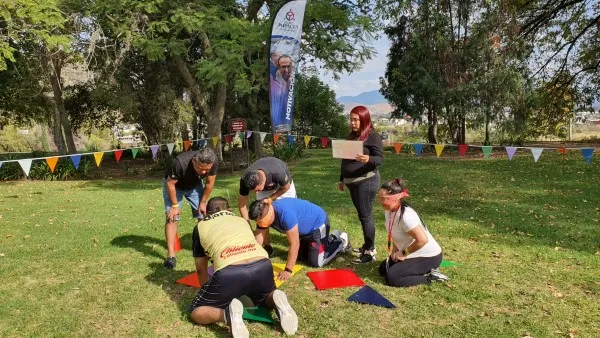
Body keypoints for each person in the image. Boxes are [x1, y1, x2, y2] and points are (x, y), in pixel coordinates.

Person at [190, 197, 298, 337]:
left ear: (207, 213)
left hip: (230, 271)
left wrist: (206, 292)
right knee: (264, 297)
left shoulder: (200, 226)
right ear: (229, 210)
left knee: (197, 311)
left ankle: (227, 315)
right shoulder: (242, 220)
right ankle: (275, 297)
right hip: (262, 264)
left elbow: (201, 268)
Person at [248, 198, 349, 280]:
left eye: (260, 221)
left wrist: (288, 270)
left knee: (317, 262)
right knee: (302, 257)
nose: (260, 225)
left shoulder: (286, 215)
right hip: (304, 233)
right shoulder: (264, 215)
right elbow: (258, 241)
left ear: (268, 213)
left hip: (318, 225)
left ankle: (340, 242)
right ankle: (331, 237)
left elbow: (294, 244)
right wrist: (251, 262)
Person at [377, 179, 449, 287]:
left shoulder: (406, 217)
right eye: (380, 198)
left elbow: (423, 239)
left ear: (397, 198)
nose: (381, 202)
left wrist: (404, 253)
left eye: (384, 199)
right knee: (383, 270)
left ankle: (431, 278)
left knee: (392, 278)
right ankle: (418, 269)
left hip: (429, 256)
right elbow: (394, 232)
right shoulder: (389, 210)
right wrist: (395, 251)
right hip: (409, 251)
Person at [337, 105, 383, 263]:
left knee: (366, 216)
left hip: (367, 181)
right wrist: (342, 178)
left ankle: (370, 251)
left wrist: (368, 159)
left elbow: (379, 159)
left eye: (356, 119)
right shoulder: (351, 136)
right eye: (351, 119)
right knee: (362, 215)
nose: (353, 123)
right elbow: (346, 159)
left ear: (364, 119)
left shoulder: (373, 136)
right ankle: (366, 246)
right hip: (352, 182)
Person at [163, 147, 218, 269]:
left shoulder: (213, 163)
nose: (203, 172)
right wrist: (175, 205)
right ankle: (171, 256)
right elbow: (170, 183)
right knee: (172, 217)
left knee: (203, 214)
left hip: (194, 185)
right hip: (175, 186)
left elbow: (209, 183)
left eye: (206, 169)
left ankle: (206, 248)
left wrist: (203, 202)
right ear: (194, 161)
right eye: (200, 168)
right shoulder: (179, 163)